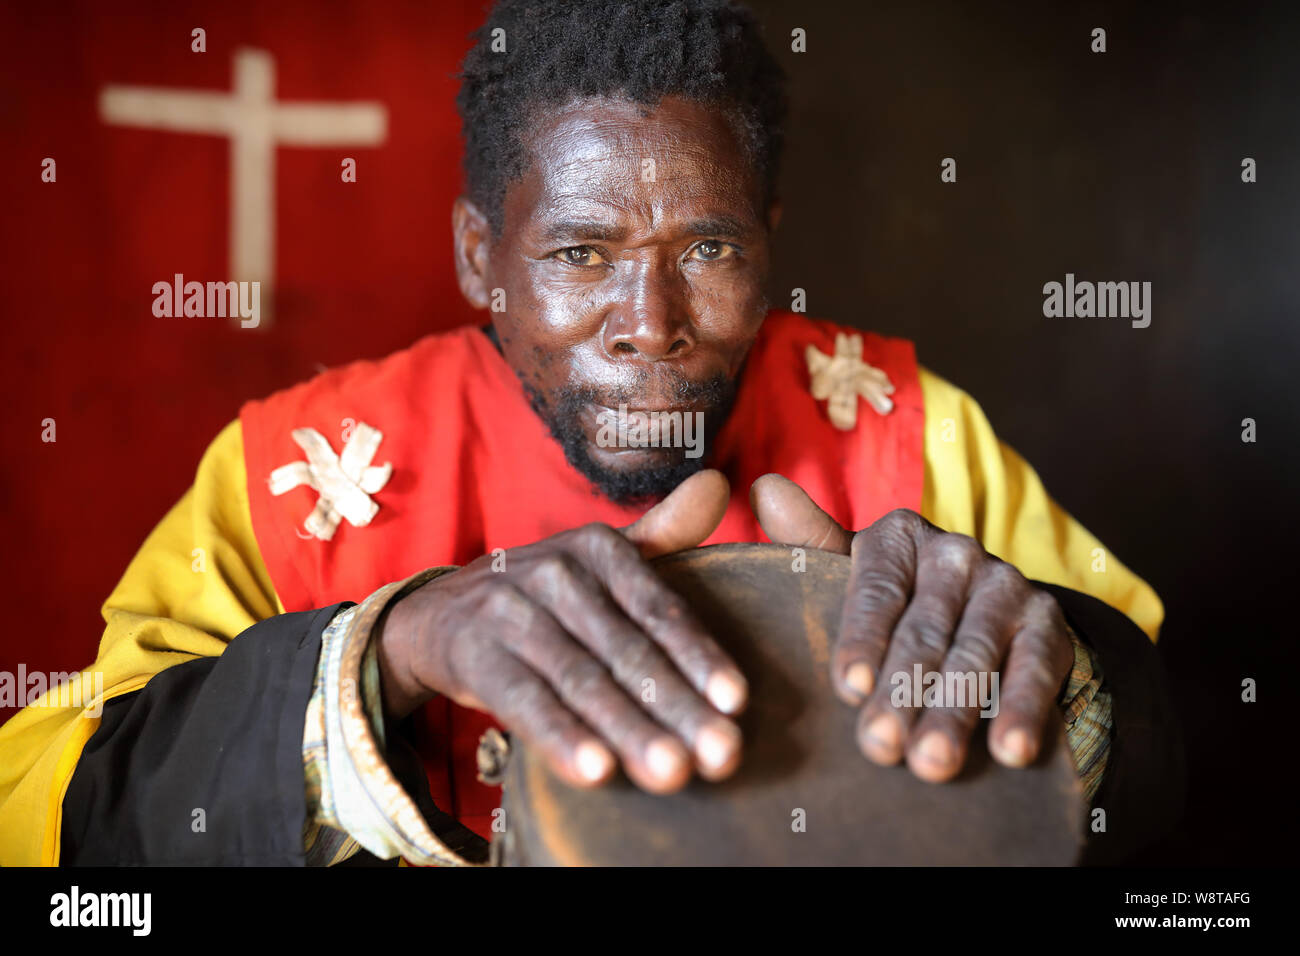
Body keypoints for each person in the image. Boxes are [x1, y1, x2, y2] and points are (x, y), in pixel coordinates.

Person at [0, 0, 1177, 867]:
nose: (651, 327)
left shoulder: (915, 433)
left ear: (769, 240)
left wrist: (1067, 671)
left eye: (708, 251)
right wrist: (388, 653)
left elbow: (1178, 755)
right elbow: (44, 812)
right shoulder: (292, 469)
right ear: (481, 258)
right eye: (578, 254)